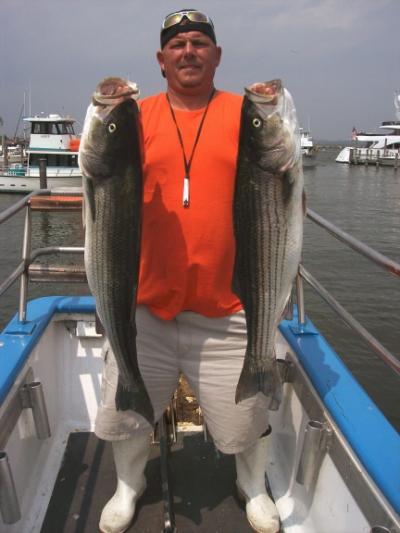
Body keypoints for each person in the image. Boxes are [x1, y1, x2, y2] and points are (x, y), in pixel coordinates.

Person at [96, 8, 280, 533]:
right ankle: (128, 486)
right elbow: (102, 171)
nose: (189, 52)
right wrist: (105, 106)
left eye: (200, 43)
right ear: (161, 60)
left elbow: (279, 175)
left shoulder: (248, 115)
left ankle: (253, 486)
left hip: (227, 306)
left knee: (248, 415)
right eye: (177, 45)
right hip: (145, 305)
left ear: (217, 55)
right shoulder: (136, 117)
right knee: (128, 413)